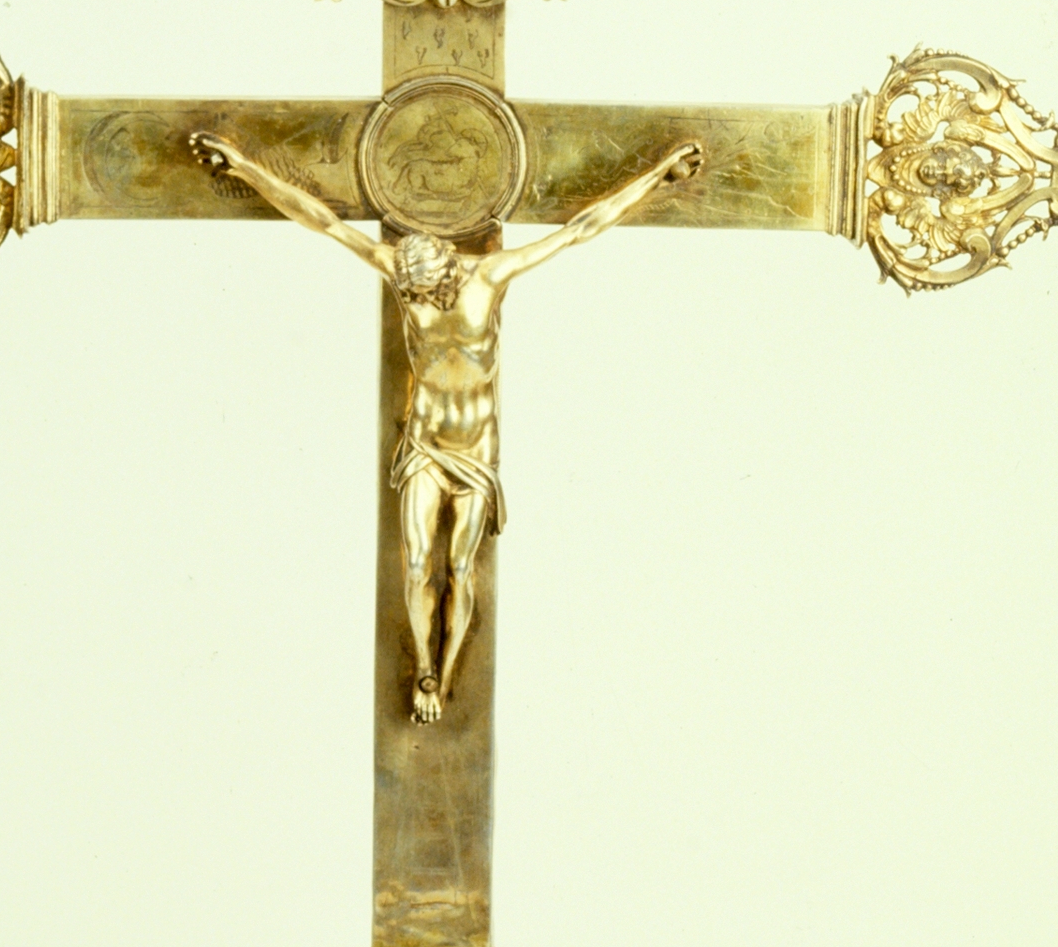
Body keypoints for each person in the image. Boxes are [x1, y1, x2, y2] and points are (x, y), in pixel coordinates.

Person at [188, 129, 702, 720]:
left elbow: (579, 229)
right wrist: (244, 167)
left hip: (476, 451)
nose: (417, 302)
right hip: (426, 444)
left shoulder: (491, 276)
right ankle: (424, 674)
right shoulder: (403, 276)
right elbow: (322, 222)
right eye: (410, 295)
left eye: (425, 293)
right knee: (415, 564)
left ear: (447, 273)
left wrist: (658, 175)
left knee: (460, 568)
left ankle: (448, 672)